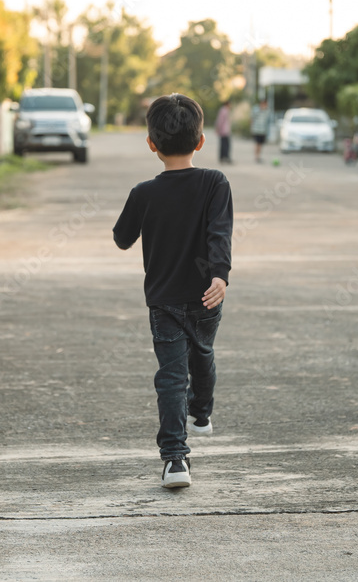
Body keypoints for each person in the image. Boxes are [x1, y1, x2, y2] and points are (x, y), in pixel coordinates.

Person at [113, 93, 233, 489]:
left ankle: (175, 461)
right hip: (206, 295)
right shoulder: (215, 182)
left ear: (151, 143)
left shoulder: (143, 192)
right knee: (203, 356)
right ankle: (201, 413)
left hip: (163, 300)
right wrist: (219, 275)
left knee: (170, 377)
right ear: (200, 141)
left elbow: (122, 239)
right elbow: (220, 232)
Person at [250, 98, 269, 163]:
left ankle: (259, 156)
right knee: (257, 143)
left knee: (261, 144)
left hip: (263, 130)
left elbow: (267, 121)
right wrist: (252, 128)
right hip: (256, 130)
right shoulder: (256, 110)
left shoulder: (266, 111)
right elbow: (252, 118)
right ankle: (256, 156)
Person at [215, 100, 232, 164]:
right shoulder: (224, 110)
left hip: (224, 130)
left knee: (223, 144)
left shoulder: (224, 110)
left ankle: (222, 157)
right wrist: (218, 128)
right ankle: (226, 157)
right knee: (226, 145)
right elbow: (220, 120)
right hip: (224, 130)